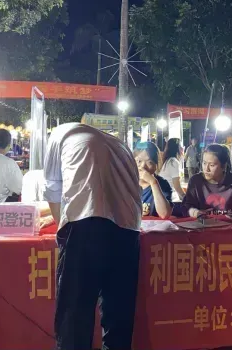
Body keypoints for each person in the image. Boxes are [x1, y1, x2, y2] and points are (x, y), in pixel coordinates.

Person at [43, 123, 141, 351]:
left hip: (86, 224)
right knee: (119, 313)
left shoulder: (60, 134)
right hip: (129, 231)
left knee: (75, 314)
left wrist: (62, 227)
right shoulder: (121, 146)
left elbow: (53, 187)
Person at [183, 144, 232, 217]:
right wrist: (195, 212)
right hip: (202, 224)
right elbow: (187, 206)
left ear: (224, 166)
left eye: (212, 165)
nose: (206, 169)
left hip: (230, 224)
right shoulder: (196, 181)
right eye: (204, 163)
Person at [134, 141, 173, 218]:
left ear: (156, 165)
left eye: (149, 162)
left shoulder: (162, 184)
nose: (143, 166)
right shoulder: (125, 182)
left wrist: (153, 182)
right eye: (139, 161)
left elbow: (164, 214)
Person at [159, 138, 186, 202]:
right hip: (169, 197)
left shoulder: (168, 160)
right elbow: (177, 186)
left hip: (164, 195)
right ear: (177, 148)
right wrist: (186, 199)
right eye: (181, 146)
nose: (183, 148)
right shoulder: (173, 162)